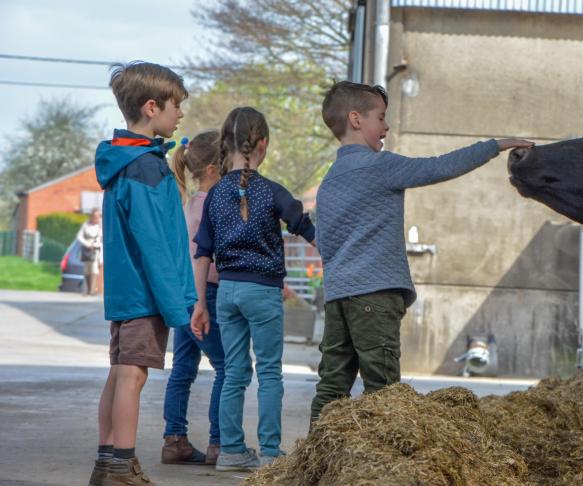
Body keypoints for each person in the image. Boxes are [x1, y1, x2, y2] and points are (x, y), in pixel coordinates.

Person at [308, 81, 534, 426]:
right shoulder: (379, 165)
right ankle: (377, 464)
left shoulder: (331, 180)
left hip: (337, 298)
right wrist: (495, 146)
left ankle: (314, 463)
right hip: (375, 295)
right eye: (380, 118)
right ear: (356, 119)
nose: (386, 127)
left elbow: (323, 241)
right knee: (382, 391)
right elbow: (440, 166)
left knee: (332, 385)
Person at [190, 107, 316, 471]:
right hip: (262, 293)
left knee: (233, 371)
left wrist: (200, 303)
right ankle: (271, 453)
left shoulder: (214, 196)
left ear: (224, 145)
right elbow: (305, 227)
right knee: (270, 372)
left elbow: (202, 254)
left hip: (226, 292)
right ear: (262, 145)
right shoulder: (272, 192)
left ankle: (230, 451)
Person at [89, 61, 195, 486]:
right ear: (152, 107)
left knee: (119, 375)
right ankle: (121, 467)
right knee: (133, 377)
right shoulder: (146, 168)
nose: (180, 115)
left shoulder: (125, 161)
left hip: (125, 292)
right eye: (176, 106)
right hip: (146, 294)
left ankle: (106, 464)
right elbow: (155, 245)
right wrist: (177, 307)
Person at [161, 131, 225, 466]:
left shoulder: (189, 203)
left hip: (183, 295)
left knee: (183, 368)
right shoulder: (212, 206)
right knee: (227, 366)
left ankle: (174, 439)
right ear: (214, 169)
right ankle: (219, 443)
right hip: (206, 295)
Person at [76, 209, 103, 296]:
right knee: (87, 269)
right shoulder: (86, 225)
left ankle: (92, 290)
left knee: (94, 269)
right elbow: (79, 236)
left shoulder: (100, 226)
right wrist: (87, 244)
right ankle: (88, 289)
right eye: (95, 216)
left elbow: (102, 239)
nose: (96, 218)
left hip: (95, 249)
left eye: (98, 217)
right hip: (87, 249)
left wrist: (95, 245)